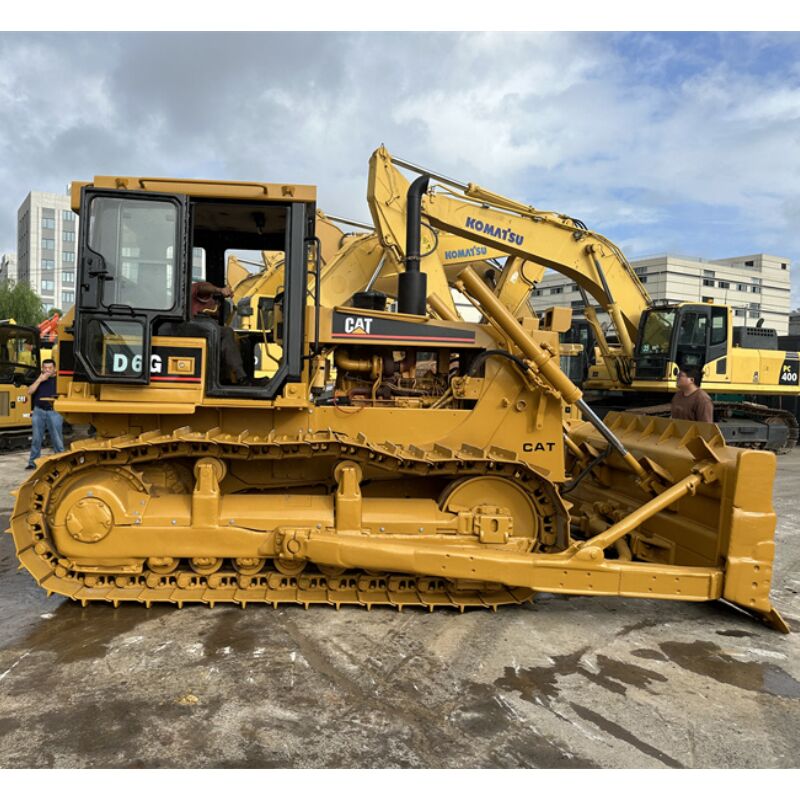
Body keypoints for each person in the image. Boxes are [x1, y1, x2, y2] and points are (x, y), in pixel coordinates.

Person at [190, 281, 248, 384]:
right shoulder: (200, 293)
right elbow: (202, 288)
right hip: (193, 327)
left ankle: (225, 378)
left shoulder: (212, 303)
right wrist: (220, 290)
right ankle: (240, 375)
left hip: (201, 328)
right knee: (226, 332)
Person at [26, 358, 65, 469]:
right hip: (38, 411)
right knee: (36, 439)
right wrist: (39, 380)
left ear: (55, 369)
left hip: (54, 412)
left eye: (50, 368)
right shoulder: (39, 378)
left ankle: (61, 462)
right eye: (45, 368)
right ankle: (32, 463)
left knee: (57, 439)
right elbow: (29, 392)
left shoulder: (59, 380)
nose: (47, 370)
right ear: (42, 369)